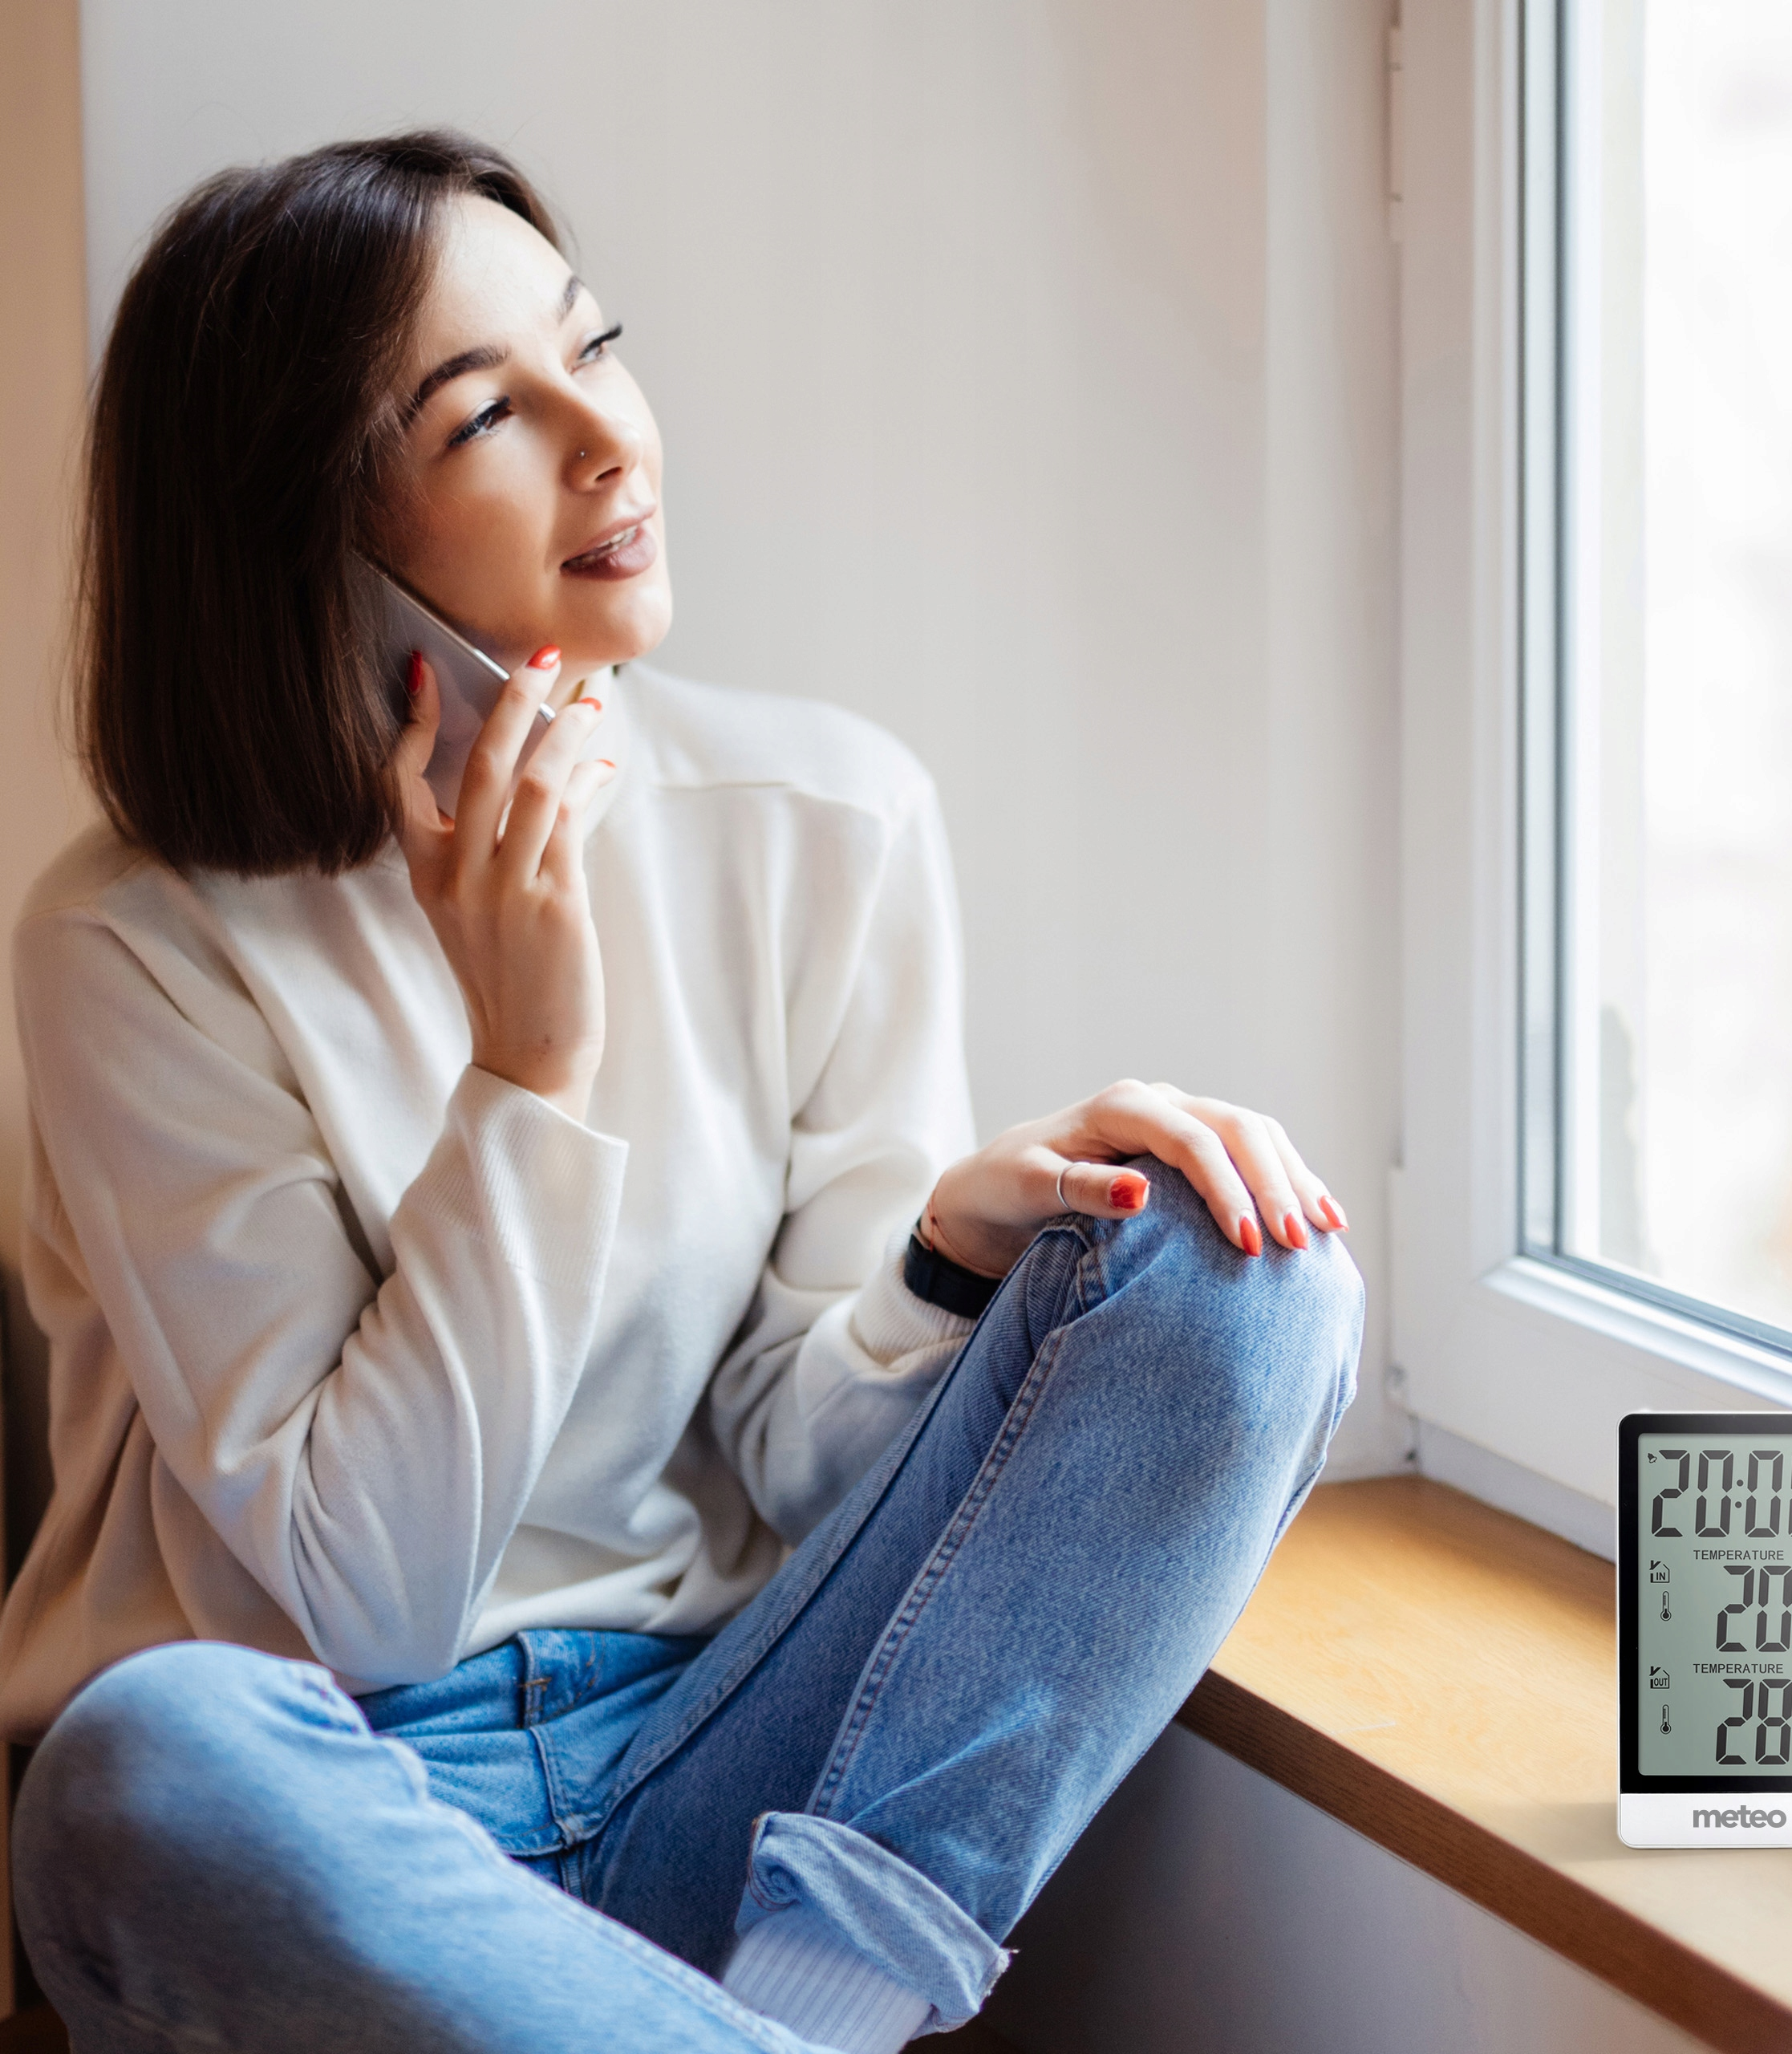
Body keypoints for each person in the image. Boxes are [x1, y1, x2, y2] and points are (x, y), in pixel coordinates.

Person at [4, 132, 1363, 2054]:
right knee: (142, 1755)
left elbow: (810, 1476)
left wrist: (938, 1266)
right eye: (487, 413)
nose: (611, 441)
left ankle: (802, 2007)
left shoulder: (828, 821)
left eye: (597, 346)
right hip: (345, 1831)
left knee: (1250, 1271)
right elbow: (363, 1595)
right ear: (306, 530)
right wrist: (527, 1066)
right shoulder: (133, 946)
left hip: (736, 1767)